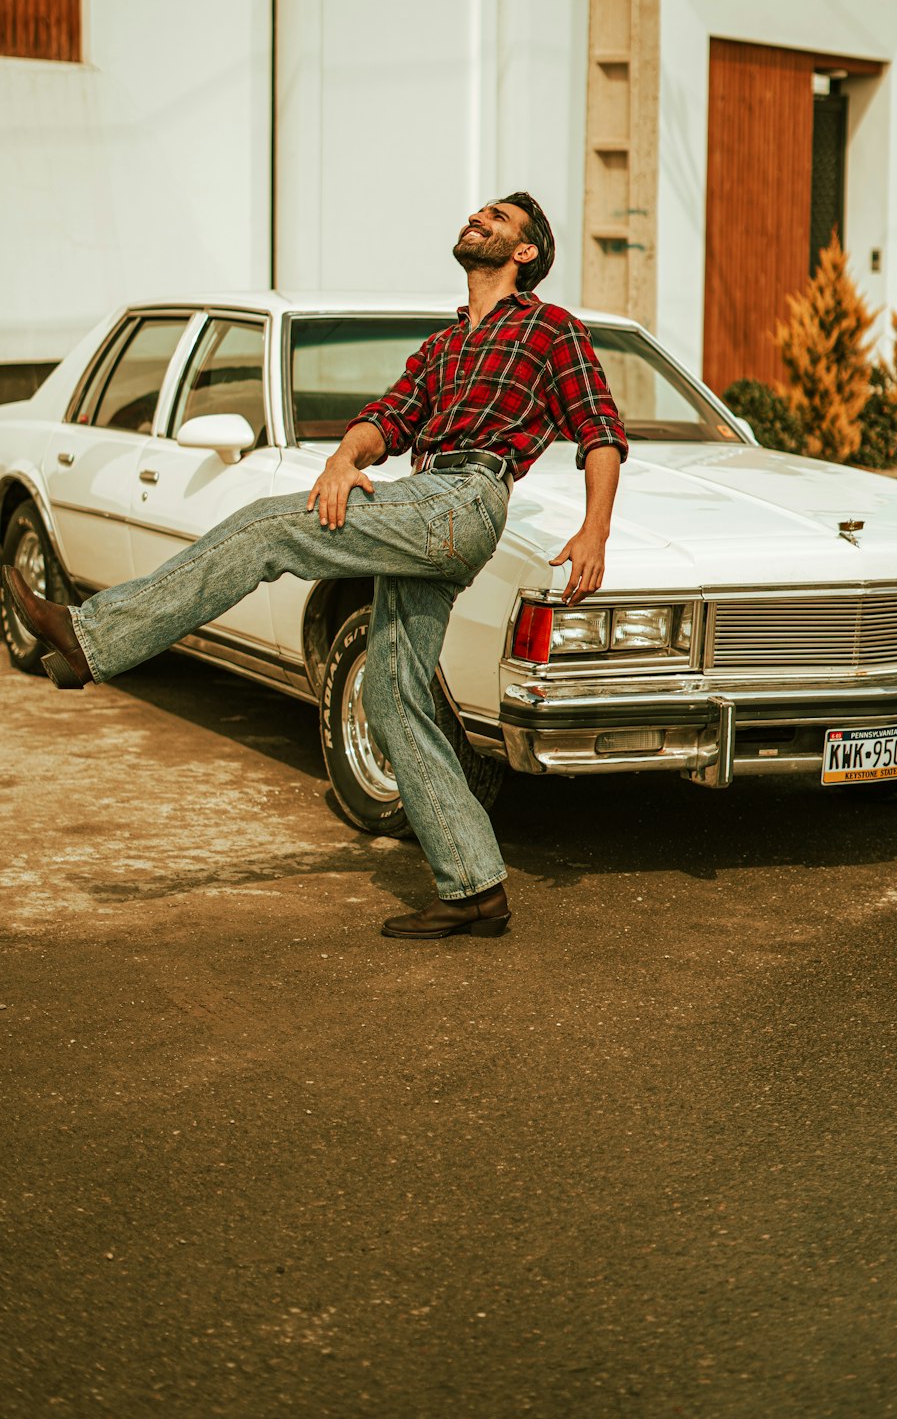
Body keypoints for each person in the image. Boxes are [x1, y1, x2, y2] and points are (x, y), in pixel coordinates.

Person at [3, 194, 628, 941]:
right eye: (477, 213)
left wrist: (595, 528)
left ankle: (92, 636)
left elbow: (599, 429)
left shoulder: (549, 327)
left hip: (466, 497)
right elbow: (388, 417)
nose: (477, 218)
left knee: (270, 527)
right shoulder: (443, 346)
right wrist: (341, 459)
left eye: (496, 217)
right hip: (420, 496)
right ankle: (474, 887)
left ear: (526, 252)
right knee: (395, 700)